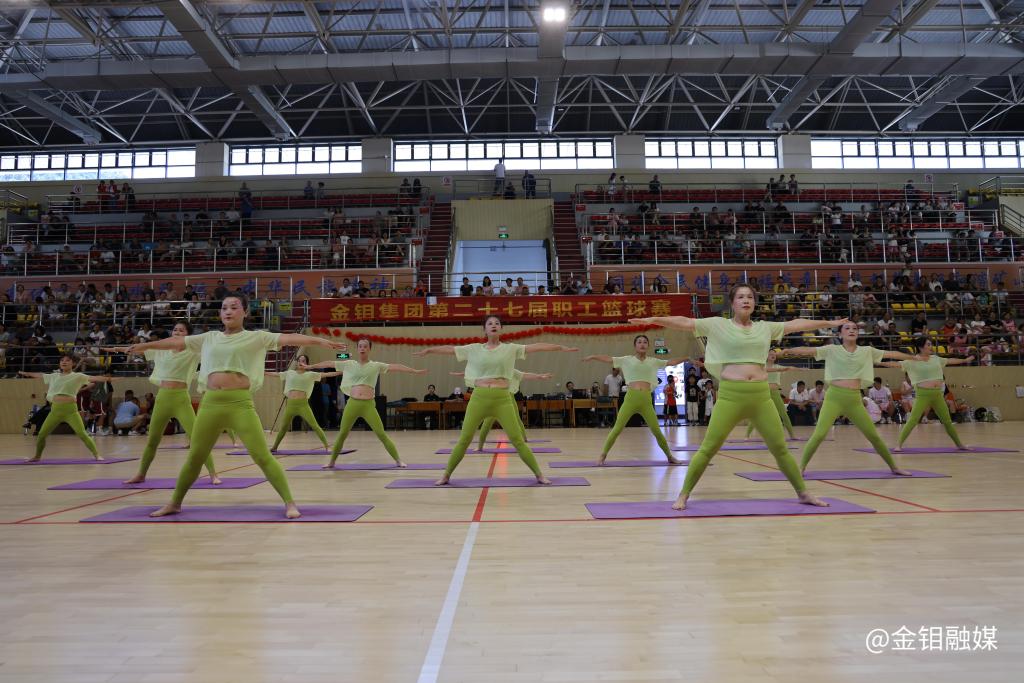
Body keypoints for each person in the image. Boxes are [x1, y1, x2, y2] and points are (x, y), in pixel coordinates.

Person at [119, 294, 347, 519]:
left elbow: (289, 338)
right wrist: (144, 345)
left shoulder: (257, 337)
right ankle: (174, 503)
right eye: (224, 307)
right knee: (195, 457)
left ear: (245, 312)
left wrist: (319, 341)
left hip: (240, 403)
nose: (228, 311)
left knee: (262, 456)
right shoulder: (208, 338)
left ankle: (290, 502)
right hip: (210, 404)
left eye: (234, 307)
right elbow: (175, 342)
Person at [631, 284, 843, 509]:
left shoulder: (765, 328)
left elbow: (795, 325)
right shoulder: (717, 325)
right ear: (732, 303)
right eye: (741, 297)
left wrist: (827, 324)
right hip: (732, 396)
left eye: (750, 297)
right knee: (708, 448)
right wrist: (654, 318)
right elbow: (684, 322)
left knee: (780, 449)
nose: (746, 300)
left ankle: (803, 493)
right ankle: (683, 494)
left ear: (754, 302)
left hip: (761, 397)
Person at [413, 316, 577, 485]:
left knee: (517, 440)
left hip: (503, 399)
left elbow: (536, 347)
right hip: (479, 398)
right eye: (490, 323)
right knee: (464, 439)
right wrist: (430, 350)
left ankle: (539, 475)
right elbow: (450, 349)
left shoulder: (510, 348)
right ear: (484, 329)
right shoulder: (474, 349)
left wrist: (559, 347)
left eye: (497, 323)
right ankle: (446, 475)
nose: (494, 325)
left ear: (501, 329)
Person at [780, 322, 920, 475]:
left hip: (854, 399)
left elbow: (890, 354)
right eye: (847, 328)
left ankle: (894, 467)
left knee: (873, 435)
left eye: (854, 328)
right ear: (840, 334)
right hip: (834, 397)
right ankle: (801, 468)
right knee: (819, 434)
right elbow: (808, 350)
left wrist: (912, 357)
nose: (851, 330)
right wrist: (788, 350)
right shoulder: (831, 349)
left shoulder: (867, 350)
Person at [102, 321, 222, 485]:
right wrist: (116, 349)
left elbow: (214, 351)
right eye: (174, 329)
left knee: (197, 439)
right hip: (163, 399)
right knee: (152, 441)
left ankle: (213, 474)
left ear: (188, 335)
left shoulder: (194, 351)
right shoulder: (160, 350)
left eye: (181, 330)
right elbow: (136, 349)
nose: (177, 332)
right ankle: (141, 474)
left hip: (181, 398)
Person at [303, 338, 426, 469]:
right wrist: (311, 366)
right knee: (343, 433)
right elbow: (329, 363)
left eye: (365, 346)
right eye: (360, 346)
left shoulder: (376, 365)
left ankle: (398, 460)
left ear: (369, 349)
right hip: (353, 404)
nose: (362, 348)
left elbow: (396, 366)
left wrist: (414, 371)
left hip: (368, 405)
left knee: (381, 434)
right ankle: (332, 462)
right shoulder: (349, 364)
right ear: (357, 349)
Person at [584, 336, 691, 466]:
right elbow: (608, 358)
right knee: (617, 429)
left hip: (646, 401)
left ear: (648, 346)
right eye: (639, 342)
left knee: (657, 431)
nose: (642, 344)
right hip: (631, 399)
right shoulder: (626, 360)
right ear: (635, 346)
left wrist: (687, 358)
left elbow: (671, 362)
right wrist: (593, 356)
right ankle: (602, 455)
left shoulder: (653, 361)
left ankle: (669, 456)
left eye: (645, 342)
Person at [879, 337, 974, 451]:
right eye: (928, 344)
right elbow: (895, 364)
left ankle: (960, 445)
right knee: (913, 420)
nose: (931, 346)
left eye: (931, 344)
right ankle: (898, 445)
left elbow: (951, 360)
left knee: (947, 421)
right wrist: (879, 362)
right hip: (922, 395)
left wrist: (965, 360)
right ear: (921, 347)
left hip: (938, 395)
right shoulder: (912, 360)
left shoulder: (936, 359)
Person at [17, 356, 117, 461]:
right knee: (41, 434)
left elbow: (94, 379)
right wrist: (27, 374)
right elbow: (41, 375)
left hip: (71, 411)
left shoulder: (78, 376)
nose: (64, 362)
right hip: (55, 411)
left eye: (67, 360)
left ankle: (97, 455)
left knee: (82, 434)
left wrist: (108, 378)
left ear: (73, 364)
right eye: (62, 360)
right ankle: (37, 456)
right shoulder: (54, 376)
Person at [451, 369, 551, 450]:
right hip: (493, 398)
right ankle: (480, 447)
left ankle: (524, 440)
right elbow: (475, 373)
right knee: (487, 423)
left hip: (507, 398)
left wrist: (540, 376)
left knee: (515, 420)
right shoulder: (492, 371)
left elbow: (526, 375)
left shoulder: (511, 371)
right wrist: (461, 373)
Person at [265, 354, 341, 453]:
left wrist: (340, 372)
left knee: (315, 426)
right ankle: (275, 447)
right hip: (291, 405)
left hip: (303, 405)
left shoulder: (310, 374)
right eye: (299, 360)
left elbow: (326, 374)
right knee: (283, 427)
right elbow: (277, 374)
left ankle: (327, 446)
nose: (301, 362)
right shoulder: (290, 373)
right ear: (296, 362)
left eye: (304, 361)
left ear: (307, 364)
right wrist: (265, 372)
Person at [744, 349, 797, 439]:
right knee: (756, 414)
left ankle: (792, 435)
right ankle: (747, 435)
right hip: (763, 393)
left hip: (775, 393)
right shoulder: (762, 367)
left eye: (774, 354)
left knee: (783, 414)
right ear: (766, 356)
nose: (773, 355)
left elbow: (789, 368)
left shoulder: (778, 366)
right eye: (770, 354)